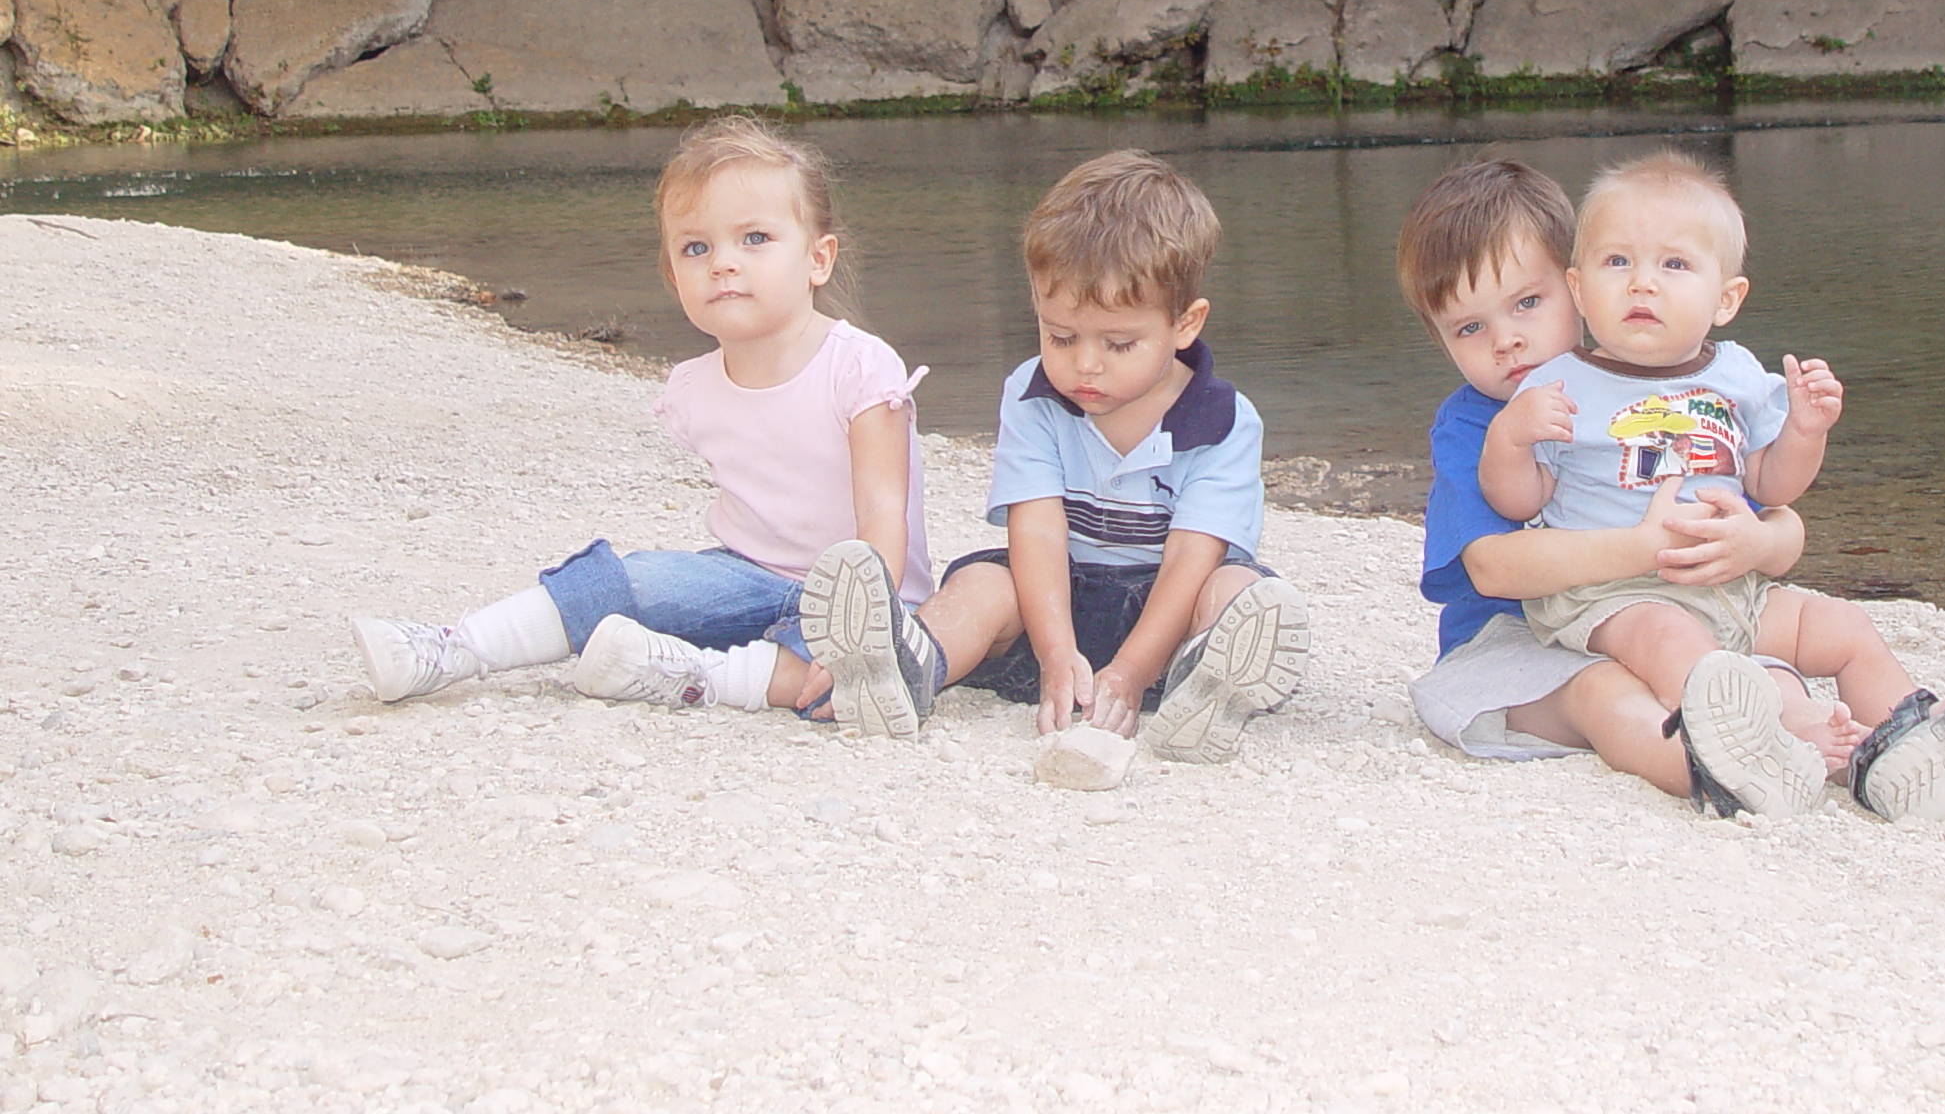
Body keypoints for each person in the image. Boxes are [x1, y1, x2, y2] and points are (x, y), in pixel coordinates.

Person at [1412, 152, 1945, 820]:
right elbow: (1498, 557)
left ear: (1572, 287)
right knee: (1624, 689)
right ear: (1591, 284)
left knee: (1804, 648)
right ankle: (1727, 763)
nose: (1507, 342)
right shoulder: (1517, 410)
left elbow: (1777, 514)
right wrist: (1522, 447)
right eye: (1470, 328)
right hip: (1538, 639)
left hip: (1718, 602)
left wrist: (1783, 483)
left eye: (1528, 302)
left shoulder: (1708, 381)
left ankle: (1900, 741)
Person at [347, 116, 931, 727]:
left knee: (824, 663)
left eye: (755, 238)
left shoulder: (859, 367)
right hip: (742, 573)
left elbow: (883, 515)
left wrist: (865, 625)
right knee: (629, 579)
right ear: (672, 274)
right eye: (696, 248)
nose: (723, 264)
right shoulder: (693, 387)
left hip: (864, 594)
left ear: (818, 258)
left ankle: (694, 676)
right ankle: (453, 649)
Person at [802, 149, 1309, 765]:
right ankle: (905, 666)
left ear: (1185, 324)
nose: (1084, 364)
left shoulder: (1224, 421)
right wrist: (1055, 652)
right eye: (1060, 336)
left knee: (1234, 586)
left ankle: (1205, 686)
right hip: (1053, 601)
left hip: (1167, 617)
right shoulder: (1031, 394)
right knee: (983, 585)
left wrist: (1131, 671)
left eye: (1119, 343)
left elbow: (1188, 558)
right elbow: (1038, 531)